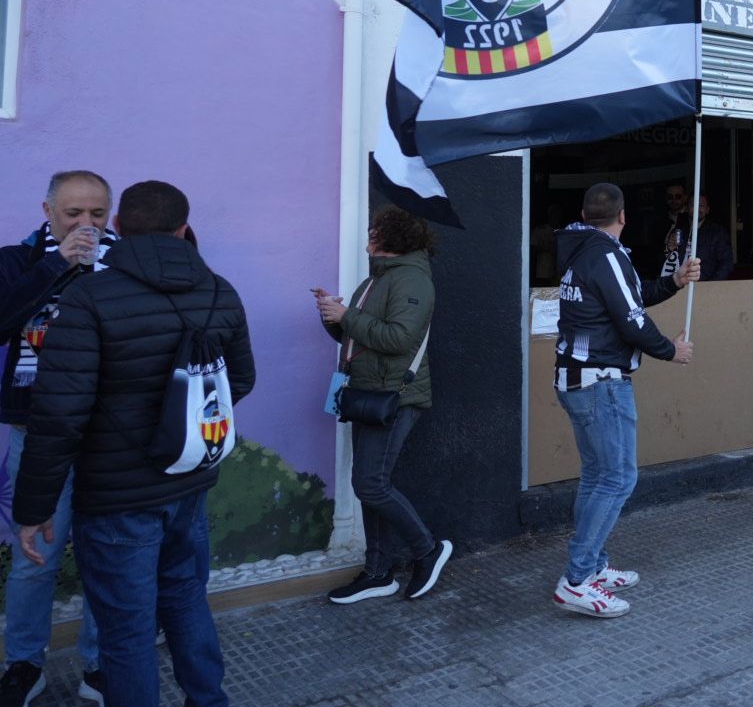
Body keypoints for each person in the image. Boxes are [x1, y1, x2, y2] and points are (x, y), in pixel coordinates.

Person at [13, 181, 255, 706]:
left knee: (126, 634)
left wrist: (32, 508)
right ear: (184, 230)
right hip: (188, 482)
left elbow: (60, 414)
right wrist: (175, 426)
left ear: (117, 226)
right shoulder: (219, 288)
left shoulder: (89, 296)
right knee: (188, 598)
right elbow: (239, 382)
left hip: (116, 497)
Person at [551, 183, 697, 618]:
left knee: (597, 476)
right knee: (617, 479)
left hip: (578, 380)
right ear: (623, 216)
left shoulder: (582, 251)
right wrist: (673, 350)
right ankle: (577, 579)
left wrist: (674, 281)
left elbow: (630, 299)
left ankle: (592, 566)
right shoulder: (607, 255)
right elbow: (633, 320)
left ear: (583, 212)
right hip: (601, 382)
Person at [0, 171, 112, 705]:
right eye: (74, 214)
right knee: (33, 558)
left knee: (106, 555)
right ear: (48, 210)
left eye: (98, 213)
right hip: (38, 431)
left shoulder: (128, 261)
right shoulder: (17, 260)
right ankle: (24, 663)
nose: (87, 225)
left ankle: (99, 662)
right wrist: (56, 264)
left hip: (112, 436)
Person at [315, 206, 453, 605]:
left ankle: (427, 550)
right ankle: (378, 572)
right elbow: (357, 337)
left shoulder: (412, 279)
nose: (367, 241)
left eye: (374, 234)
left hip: (394, 394)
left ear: (391, 239)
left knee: (370, 483)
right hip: (367, 391)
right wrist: (333, 317)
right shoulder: (376, 279)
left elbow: (398, 339)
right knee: (370, 483)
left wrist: (348, 315)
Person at [692, 194, 735, 283]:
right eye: (693, 204)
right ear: (687, 208)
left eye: (701, 205)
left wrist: (711, 285)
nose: (697, 208)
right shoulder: (680, 230)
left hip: (705, 287)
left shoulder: (718, 232)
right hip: (680, 286)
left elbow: (726, 263)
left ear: (707, 210)